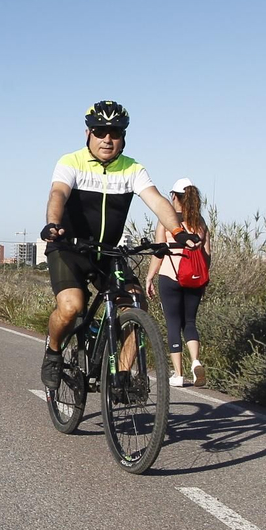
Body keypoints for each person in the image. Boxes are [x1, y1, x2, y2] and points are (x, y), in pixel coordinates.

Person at [39, 100, 200, 393]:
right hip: (68, 248)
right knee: (71, 306)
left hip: (107, 253)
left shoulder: (132, 169)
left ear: (123, 136)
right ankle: (53, 352)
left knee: (137, 302)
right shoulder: (70, 162)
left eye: (115, 132)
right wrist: (53, 223)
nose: (107, 139)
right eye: (100, 131)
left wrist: (177, 230)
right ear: (88, 133)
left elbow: (157, 200)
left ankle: (120, 378)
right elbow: (58, 193)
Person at [146, 178, 210, 386]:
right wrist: (203, 279)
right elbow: (207, 254)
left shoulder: (167, 220)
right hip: (195, 278)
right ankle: (195, 361)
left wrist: (149, 277)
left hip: (170, 275)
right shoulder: (200, 222)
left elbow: (158, 251)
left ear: (174, 196)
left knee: (173, 323)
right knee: (190, 322)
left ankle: (179, 374)